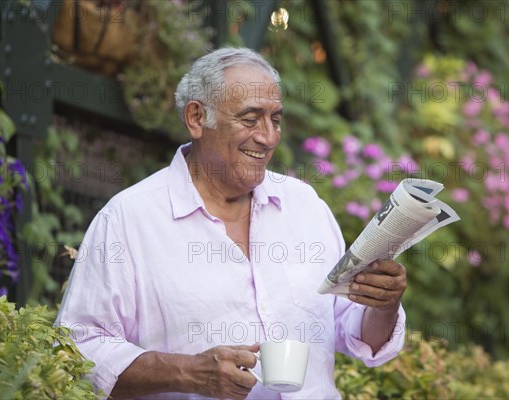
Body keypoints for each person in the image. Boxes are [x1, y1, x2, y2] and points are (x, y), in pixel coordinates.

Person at [56, 47, 407, 400]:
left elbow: (352, 328)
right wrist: (187, 373)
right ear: (197, 118)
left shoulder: (306, 207)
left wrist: (383, 305)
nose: (268, 137)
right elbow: (80, 347)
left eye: (276, 119)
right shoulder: (129, 219)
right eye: (250, 118)